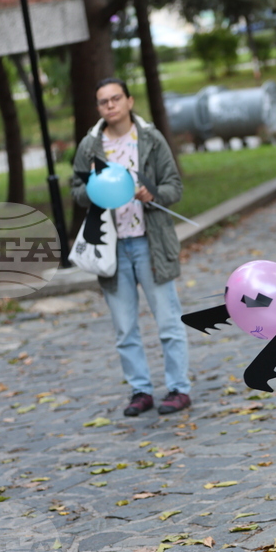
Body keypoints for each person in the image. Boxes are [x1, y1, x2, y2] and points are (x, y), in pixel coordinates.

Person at [71, 77, 192, 417]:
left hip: (149, 242)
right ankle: (140, 390)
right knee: (124, 327)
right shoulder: (90, 146)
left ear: (129, 101)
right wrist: (95, 191)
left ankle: (178, 388)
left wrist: (152, 194)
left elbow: (174, 187)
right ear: (98, 108)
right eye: (102, 101)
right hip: (112, 247)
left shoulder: (150, 139)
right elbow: (76, 190)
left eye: (115, 99)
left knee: (168, 320)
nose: (109, 106)